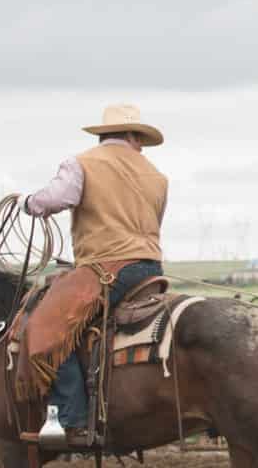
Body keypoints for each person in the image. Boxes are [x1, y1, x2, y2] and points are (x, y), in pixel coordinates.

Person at [22, 103, 169, 445]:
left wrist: (28, 202)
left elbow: (55, 199)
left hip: (105, 269)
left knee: (47, 327)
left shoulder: (83, 163)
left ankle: (71, 417)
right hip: (150, 269)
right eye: (140, 140)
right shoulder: (157, 176)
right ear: (133, 136)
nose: (141, 147)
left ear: (104, 134)